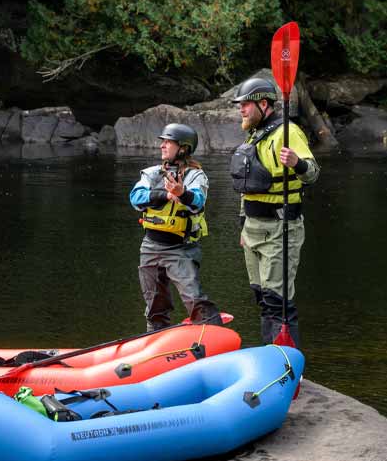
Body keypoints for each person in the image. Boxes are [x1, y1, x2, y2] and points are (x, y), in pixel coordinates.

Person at [230, 76, 320, 346]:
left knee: (277, 301)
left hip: (280, 228)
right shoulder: (254, 134)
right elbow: (248, 187)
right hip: (253, 229)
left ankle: (287, 366)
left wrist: (297, 163)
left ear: (264, 104)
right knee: (262, 297)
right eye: (240, 105)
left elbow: (313, 174)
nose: (241, 110)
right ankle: (271, 355)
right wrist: (242, 226)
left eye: (245, 104)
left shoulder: (287, 133)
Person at [130, 123, 223, 332]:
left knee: (193, 298)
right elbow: (136, 198)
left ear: (183, 148)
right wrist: (166, 194)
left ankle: (212, 332)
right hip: (150, 246)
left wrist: (182, 193)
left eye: (168, 142)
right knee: (154, 303)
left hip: (181, 248)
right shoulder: (152, 174)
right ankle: (155, 338)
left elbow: (197, 201)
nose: (162, 145)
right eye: (162, 141)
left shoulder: (196, 176)